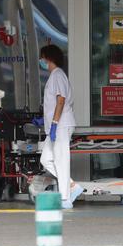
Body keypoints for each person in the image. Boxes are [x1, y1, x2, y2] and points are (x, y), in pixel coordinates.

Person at [33, 44, 84, 209]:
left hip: (61, 126)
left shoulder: (58, 75)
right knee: (46, 159)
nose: (41, 60)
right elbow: (53, 104)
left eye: (42, 57)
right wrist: (44, 120)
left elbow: (61, 100)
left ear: (48, 58)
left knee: (61, 161)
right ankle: (72, 186)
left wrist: (54, 124)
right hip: (54, 126)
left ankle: (65, 199)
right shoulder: (54, 76)